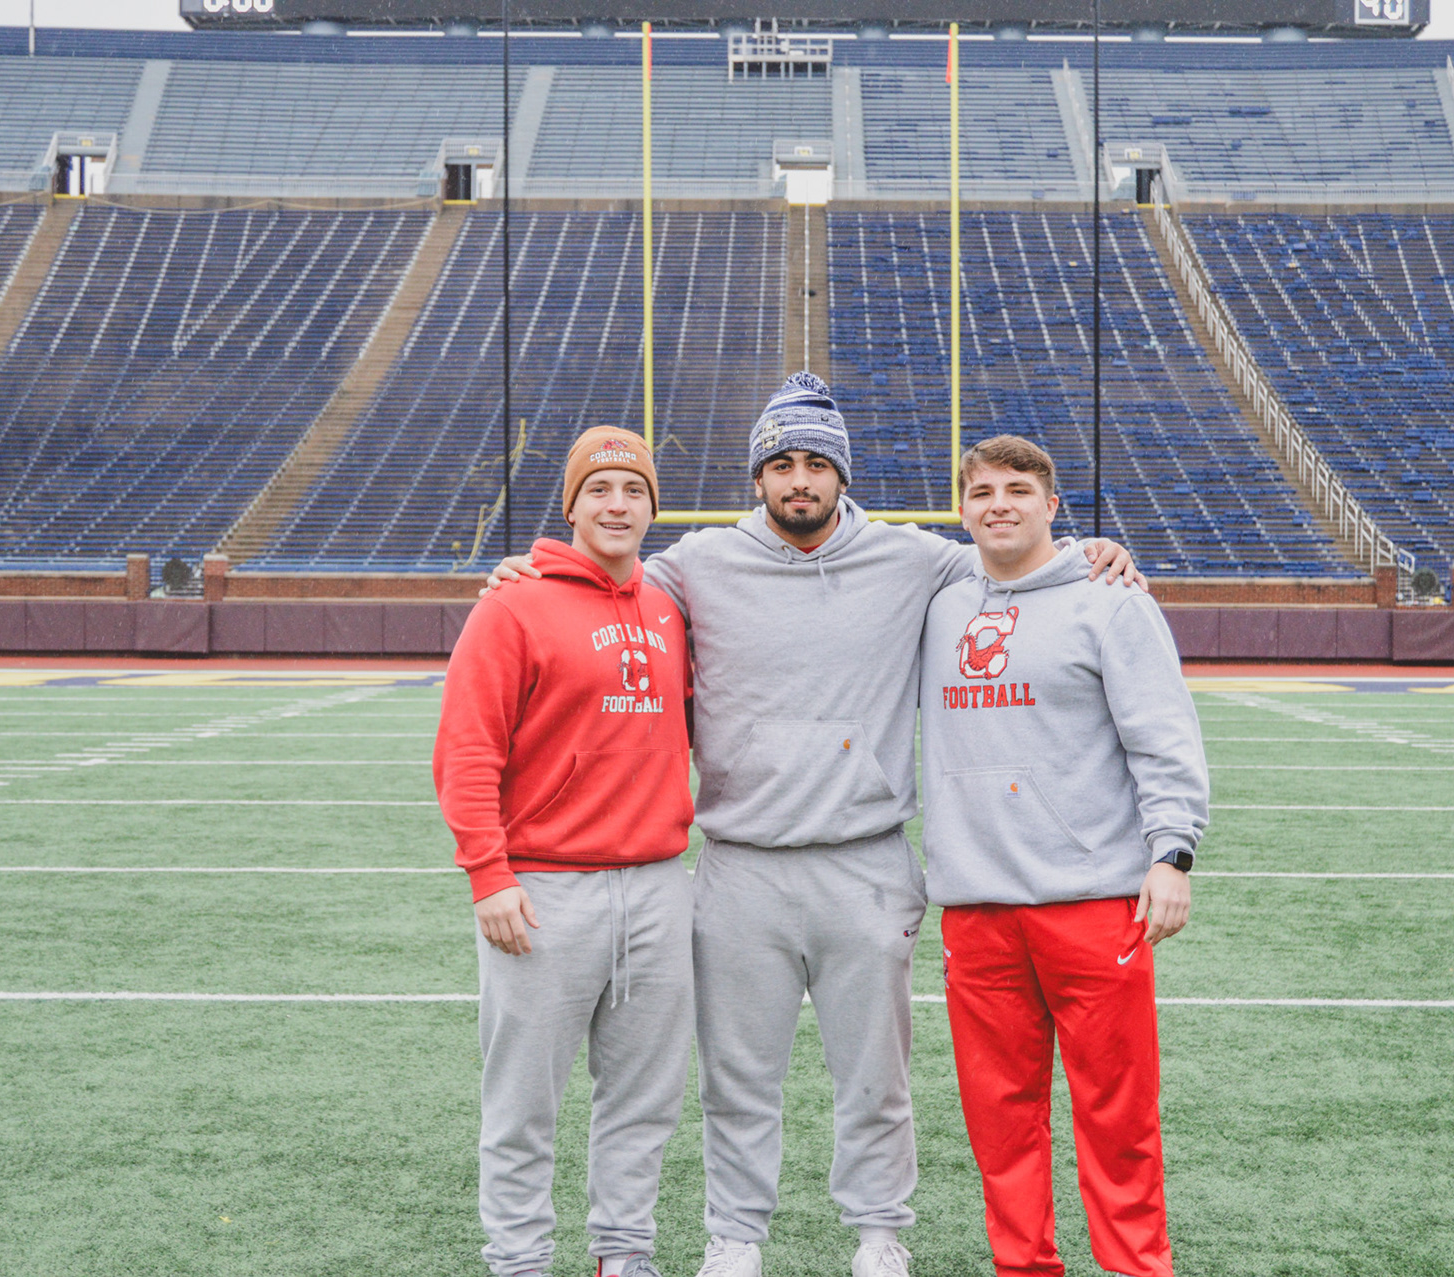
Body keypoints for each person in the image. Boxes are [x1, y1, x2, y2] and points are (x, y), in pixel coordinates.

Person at [484, 375, 1144, 1277]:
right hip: (741, 862)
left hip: (864, 859)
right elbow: (602, 581)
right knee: (738, 1076)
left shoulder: (913, 558)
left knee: (875, 1077)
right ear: (758, 476)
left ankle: (878, 1233)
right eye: (783, 463)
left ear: (841, 473)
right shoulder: (695, 566)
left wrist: (1090, 551)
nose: (800, 479)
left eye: (817, 464)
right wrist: (527, 569)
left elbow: (1015, 561)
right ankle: (735, 1237)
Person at [919, 435, 1207, 1277]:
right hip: (977, 907)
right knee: (999, 1121)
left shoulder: (1108, 599)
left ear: (1052, 505)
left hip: (1091, 901)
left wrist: (1172, 853)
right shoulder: (937, 600)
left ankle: (1136, 1267)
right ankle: (1024, 1267)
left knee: (1118, 1117)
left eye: (1017, 489)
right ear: (961, 509)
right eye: (981, 492)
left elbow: (1163, 736)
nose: (998, 504)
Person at [434, 426, 695, 1277]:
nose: (617, 506)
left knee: (644, 1098)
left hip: (657, 884)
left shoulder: (669, 606)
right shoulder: (512, 605)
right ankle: (518, 1259)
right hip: (545, 889)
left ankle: (623, 1253)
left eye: (634, 490)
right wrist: (488, 875)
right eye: (599, 490)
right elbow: (467, 749)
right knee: (523, 1102)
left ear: (653, 506)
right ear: (571, 505)